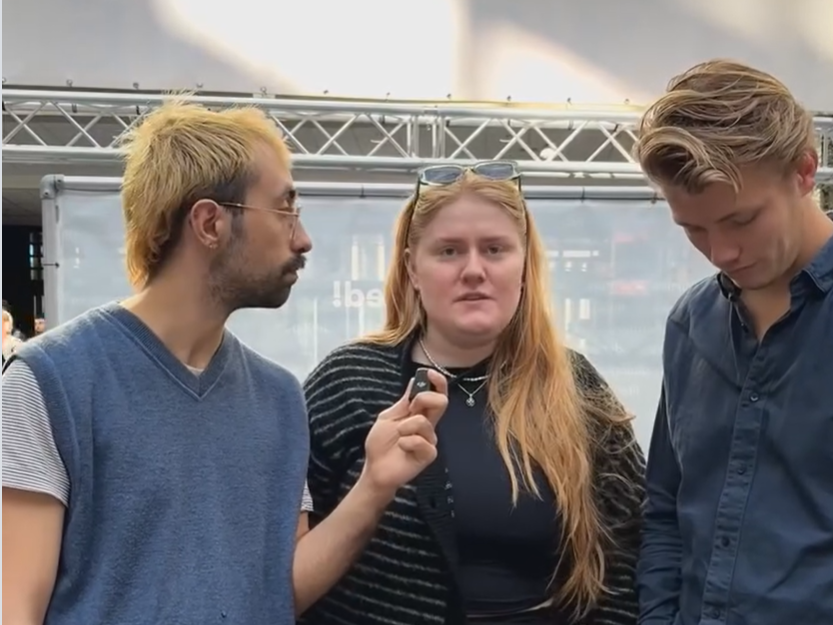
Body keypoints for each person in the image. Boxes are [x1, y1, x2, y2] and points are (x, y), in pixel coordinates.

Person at [2, 100, 448, 625]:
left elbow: (277, 592)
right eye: (285, 209)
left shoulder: (279, 397)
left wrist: (374, 484)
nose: (303, 239)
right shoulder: (48, 382)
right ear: (210, 222)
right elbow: (15, 608)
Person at [301, 161, 646, 625]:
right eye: (448, 251)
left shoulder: (575, 385)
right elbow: (281, 564)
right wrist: (372, 488)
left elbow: (629, 552)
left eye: (495, 250)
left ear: (524, 267)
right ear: (413, 269)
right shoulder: (348, 382)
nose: (474, 270)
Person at [634, 60, 833, 625]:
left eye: (741, 220)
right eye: (693, 229)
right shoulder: (689, 324)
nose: (720, 252)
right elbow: (666, 510)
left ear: (804, 171)